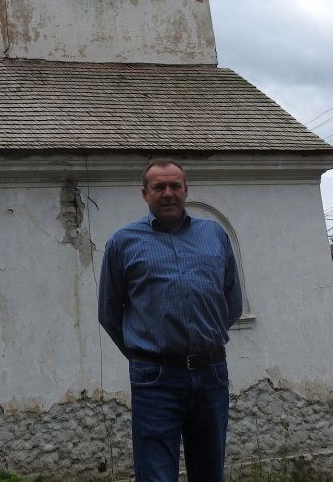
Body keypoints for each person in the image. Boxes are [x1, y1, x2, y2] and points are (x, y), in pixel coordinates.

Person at [98, 158, 242, 482]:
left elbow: (231, 302)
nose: (168, 193)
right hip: (155, 379)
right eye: (158, 187)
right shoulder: (123, 242)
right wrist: (148, 353)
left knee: (209, 471)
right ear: (144, 194)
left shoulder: (215, 235)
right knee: (156, 475)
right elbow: (109, 313)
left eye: (175, 186)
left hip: (211, 374)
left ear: (186, 190)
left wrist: (203, 340)